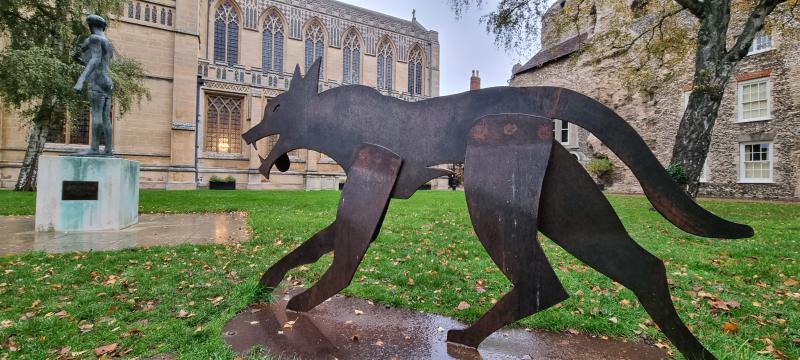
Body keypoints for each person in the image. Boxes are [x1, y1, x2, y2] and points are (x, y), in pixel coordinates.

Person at [73, 15, 115, 156]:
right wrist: (78, 59)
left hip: (96, 80)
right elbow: (98, 62)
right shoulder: (108, 43)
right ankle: (108, 149)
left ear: (90, 26)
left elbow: (95, 61)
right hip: (107, 81)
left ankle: (94, 148)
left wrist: (80, 80)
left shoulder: (94, 39)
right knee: (106, 118)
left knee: (97, 115)